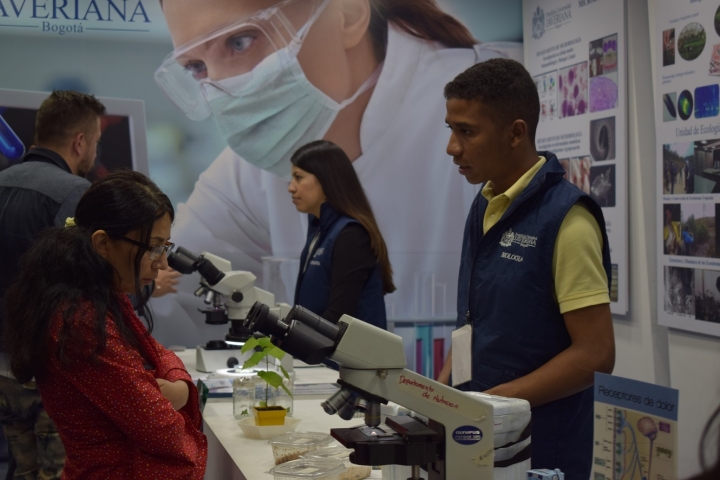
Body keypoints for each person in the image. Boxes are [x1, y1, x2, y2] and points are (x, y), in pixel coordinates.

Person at [149, 0, 522, 347]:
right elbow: (168, 315)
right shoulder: (245, 174)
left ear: (348, 15)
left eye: (241, 41)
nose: (222, 89)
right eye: (196, 67)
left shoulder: (505, 99)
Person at [437, 58, 615, 478]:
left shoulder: (567, 219)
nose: (452, 147)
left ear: (516, 132)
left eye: (467, 131)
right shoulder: (485, 200)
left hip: (540, 448)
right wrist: (444, 392)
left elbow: (596, 354)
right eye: (451, 129)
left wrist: (498, 402)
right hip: (482, 433)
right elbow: (473, 319)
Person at [3, 171, 207, 479]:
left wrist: (176, 386)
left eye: (164, 246)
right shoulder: (81, 321)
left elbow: (157, 352)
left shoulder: (100, 295)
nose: (163, 263)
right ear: (102, 243)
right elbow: (161, 430)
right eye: (153, 247)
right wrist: (183, 392)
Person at [0, 90, 106, 480]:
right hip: (49, 372)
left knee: (20, 472)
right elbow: (85, 281)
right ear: (80, 142)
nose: (95, 150)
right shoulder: (75, 194)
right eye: (96, 141)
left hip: (4, 373)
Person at [289, 140, 395, 328]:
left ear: (325, 180)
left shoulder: (351, 236)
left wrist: (288, 333)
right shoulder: (319, 231)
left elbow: (339, 317)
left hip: (347, 356)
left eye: (298, 177)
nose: (291, 187)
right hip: (318, 354)